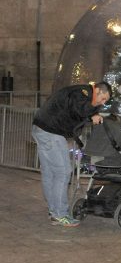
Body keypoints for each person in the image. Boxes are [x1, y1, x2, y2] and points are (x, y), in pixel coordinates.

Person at [32, 81, 112, 227]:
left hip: (41, 128)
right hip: (51, 132)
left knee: (50, 173)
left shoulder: (81, 93)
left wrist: (92, 113)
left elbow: (76, 111)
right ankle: (60, 214)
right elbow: (79, 109)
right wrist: (93, 115)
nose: (103, 103)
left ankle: (54, 211)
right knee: (63, 172)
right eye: (103, 99)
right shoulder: (82, 93)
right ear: (98, 91)